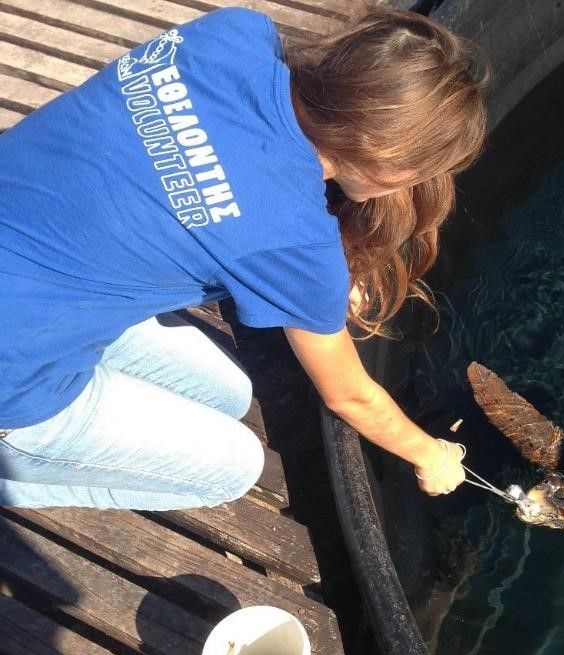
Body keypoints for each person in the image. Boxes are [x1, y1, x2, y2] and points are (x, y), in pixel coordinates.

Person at [0, 6, 487, 509]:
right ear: (387, 161)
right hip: (10, 376)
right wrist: (432, 455)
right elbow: (351, 396)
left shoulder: (233, 31)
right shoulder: (294, 244)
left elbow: (246, 167)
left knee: (228, 395)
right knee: (232, 469)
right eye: (419, 174)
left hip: (38, 279)